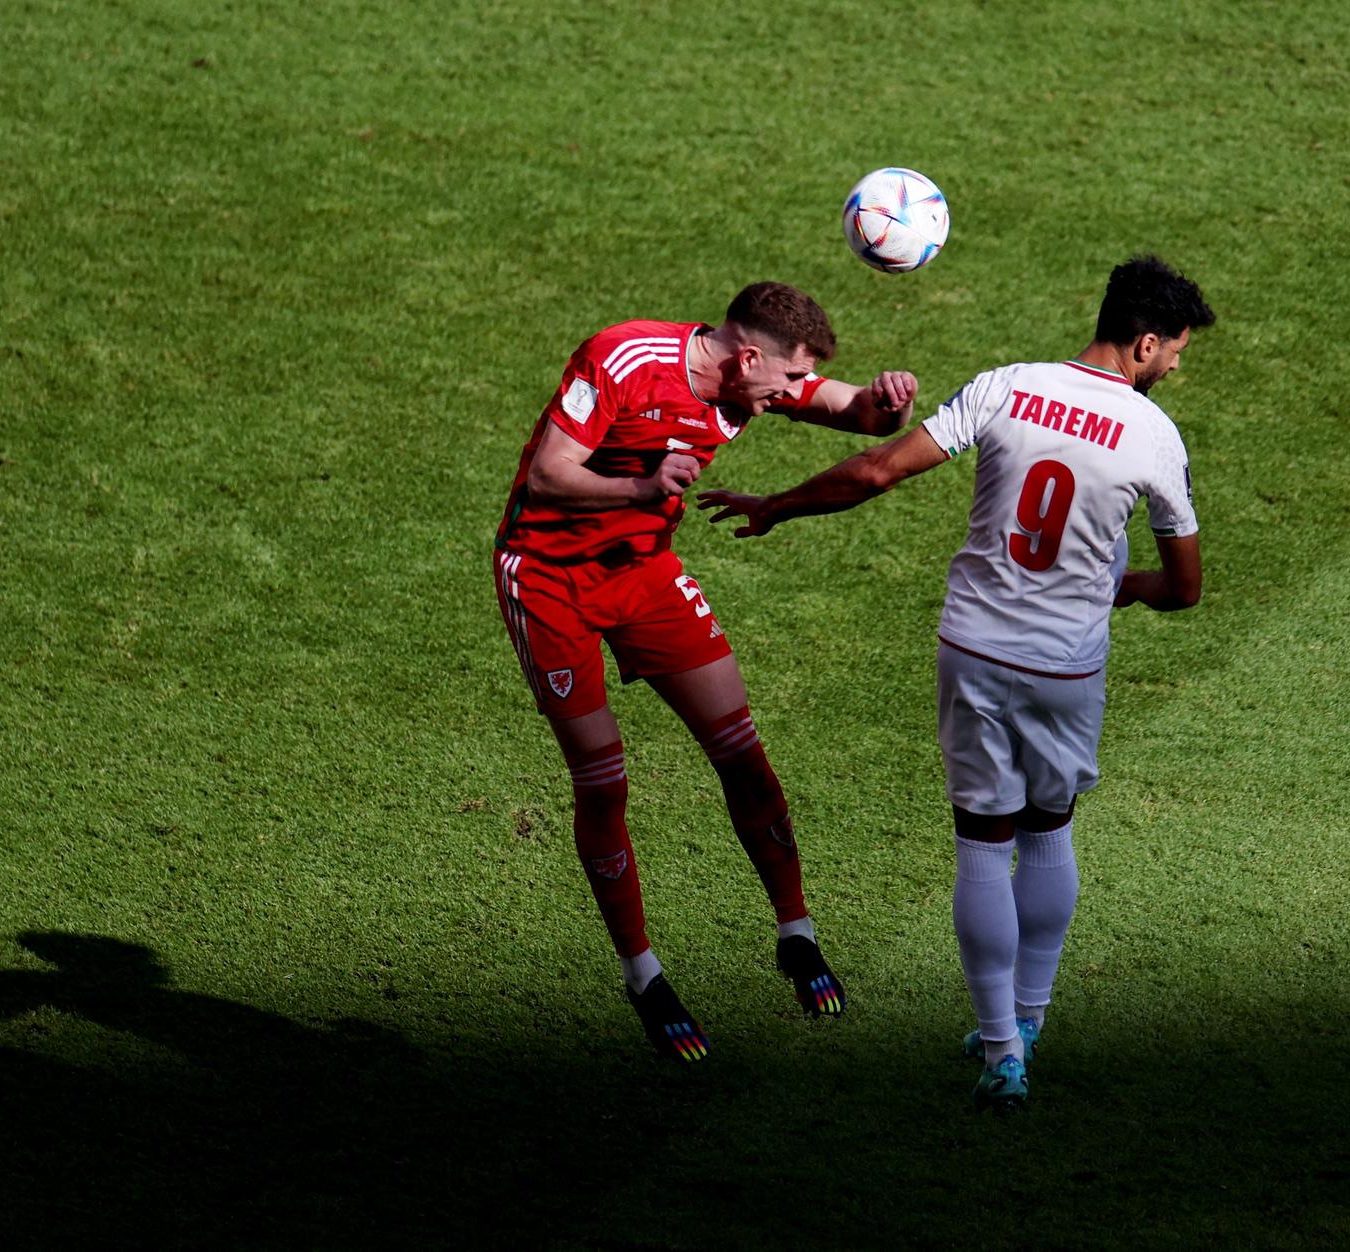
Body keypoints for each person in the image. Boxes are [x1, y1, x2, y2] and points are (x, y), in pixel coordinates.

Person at [696, 256, 1213, 1107]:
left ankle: (1001, 1054)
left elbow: (875, 472)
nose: (1176, 366)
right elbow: (1185, 588)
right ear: (1145, 343)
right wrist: (1112, 588)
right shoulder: (1155, 437)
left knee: (981, 841)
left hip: (973, 650)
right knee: (1048, 831)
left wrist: (776, 505)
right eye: (1176, 352)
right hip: (1065, 667)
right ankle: (1030, 1018)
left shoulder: (1008, 386)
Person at [494, 281, 918, 1060]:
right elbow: (551, 474)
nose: (792, 397)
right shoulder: (622, 357)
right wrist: (642, 487)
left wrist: (890, 401)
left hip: (645, 573)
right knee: (603, 780)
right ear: (748, 356)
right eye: (789, 380)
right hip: (551, 582)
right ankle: (643, 974)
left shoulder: (748, 379)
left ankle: (796, 934)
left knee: (742, 750)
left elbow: (855, 410)